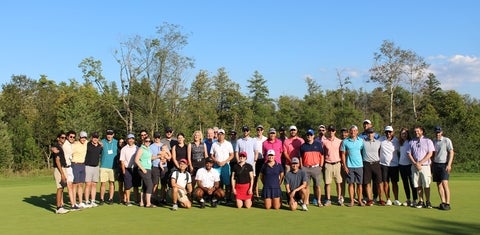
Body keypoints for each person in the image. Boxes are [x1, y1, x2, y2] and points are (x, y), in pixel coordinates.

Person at [407, 126, 435, 209]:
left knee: (426, 185)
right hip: (415, 166)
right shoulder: (411, 142)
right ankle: (421, 201)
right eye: (415, 131)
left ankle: (428, 201)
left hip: (425, 166)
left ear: (422, 131)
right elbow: (409, 154)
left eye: (418, 131)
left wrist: (420, 163)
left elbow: (430, 154)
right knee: (418, 185)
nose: (416, 133)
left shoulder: (428, 141)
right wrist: (415, 163)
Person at [341, 125, 365, 207]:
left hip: (359, 165)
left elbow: (363, 152)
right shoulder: (345, 141)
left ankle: (359, 201)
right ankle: (351, 201)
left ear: (357, 131)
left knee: (359, 184)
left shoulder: (361, 141)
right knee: (351, 184)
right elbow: (343, 154)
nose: (353, 132)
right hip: (349, 166)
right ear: (349, 132)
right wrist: (345, 166)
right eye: (351, 131)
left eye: (355, 130)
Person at [299, 129, 324, 207]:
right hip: (306, 168)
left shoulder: (318, 145)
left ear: (313, 136)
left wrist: (321, 166)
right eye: (308, 135)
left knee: (317, 185)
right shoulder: (303, 146)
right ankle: (306, 201)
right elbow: (300, 157)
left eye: (310, 135)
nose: (309, 136)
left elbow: (322, 156)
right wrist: (301, 166)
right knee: (306, 186)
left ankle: (319, 201)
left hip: (316, 168)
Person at [432, 126, 454, 210]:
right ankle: (443, 202)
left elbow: (451, 152)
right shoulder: (433, 141)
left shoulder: (446, 140)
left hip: (444, 164)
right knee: (439, 184)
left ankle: (448, 203)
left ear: (441, 132)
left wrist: (449, 164)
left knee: (445, 183)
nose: (437, 134)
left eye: (439, 132)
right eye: (436, 132)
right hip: (436, 164)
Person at [362, 127, 385, 206]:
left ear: (374, 134)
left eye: (371, 133)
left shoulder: (378, 142)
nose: (370, 134)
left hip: (376, 164)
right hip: (366, 164)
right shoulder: (363, 142)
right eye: (368, 133)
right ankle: (370, 199)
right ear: (366, 134)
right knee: (367, 183)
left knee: (379, 183)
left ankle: (381, 199)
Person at [210, 129, 234, 203]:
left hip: (225, 165)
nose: (220, 136)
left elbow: (232, 155)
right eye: (219, 134)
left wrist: (225, 161)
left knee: (227, 183)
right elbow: (211, 155)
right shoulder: (214, 144)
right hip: (217, 166)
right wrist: (216, 161)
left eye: (222, 134)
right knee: (217, 183)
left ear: (224, 135)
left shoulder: (228, 144)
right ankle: (219, 197)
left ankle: (228, 198)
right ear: (217, 135)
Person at [379, 126, 401, 206]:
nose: (388, 133)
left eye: (390, 132)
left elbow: (399, 152)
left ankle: (396, 199)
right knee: (385, 182)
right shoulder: (381, 140)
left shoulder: (396, 141)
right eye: (386, 132)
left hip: (394, 165)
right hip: (384, 165)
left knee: (394, 183)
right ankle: (388, 199)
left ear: (392, 132)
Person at [322, 125, 343, 206]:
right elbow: (323, 154)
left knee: (338, 182)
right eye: (330, 130)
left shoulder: (339, 141)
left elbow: (342, 153)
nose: (331, 132)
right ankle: (328, 199)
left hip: (337, 163)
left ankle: (339, 199)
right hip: (328, 164)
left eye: (332, 130)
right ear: (328, 131)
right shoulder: (325, 142)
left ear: (335, 131)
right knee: (327, 183)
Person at [398, 128, 417, 207]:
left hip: (409, 165)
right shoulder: (400, 143)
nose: (404, 135)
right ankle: (408, 199)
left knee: (412, 183)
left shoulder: (411, 142)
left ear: (408, 134)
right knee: (405, 183)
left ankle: (415, 200)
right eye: (402, 133)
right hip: (401, 165)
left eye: (405, 133)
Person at [99, 129, 118, 205]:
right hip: (103, 166)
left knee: (112, 183)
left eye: (111, 134)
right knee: (103, 183)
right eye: (108, 134)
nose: (109, 136)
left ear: (113, 135)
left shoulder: (116, 142)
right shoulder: (102, 142)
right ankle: (101, 199)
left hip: (113, 167)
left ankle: (111, 198)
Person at [52, 132, 69, 214]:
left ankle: (60, 206)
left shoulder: (60, 147)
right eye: (62, 137)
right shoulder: (56, 147)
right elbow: (57, 160)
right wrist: (62, 173)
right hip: (59, 169)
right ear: (58, 138)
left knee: (62, 188)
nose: (64, 139)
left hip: (62, 168)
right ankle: (58, 207)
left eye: (65, 138)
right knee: (59, 188)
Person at [135, 137, 155, 208]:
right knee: (150, 185)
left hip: (148, 168)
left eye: (149, 141)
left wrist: (158, 156)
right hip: (143, 169)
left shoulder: (148, 149)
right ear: (143, 141)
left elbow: (149, 158)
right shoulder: (141, 149)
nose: (148, 142)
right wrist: (143, 169)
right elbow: (136, 160)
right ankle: (148, 203)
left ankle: (142, 202)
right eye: (146, 141)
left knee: (145, 186)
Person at [84, 132, 103, 207]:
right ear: (92, 138)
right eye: (94, 137)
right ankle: (86, 201)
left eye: (97, 137)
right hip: (88, 166)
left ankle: (93, 201)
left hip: (96, 167)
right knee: (88, 184)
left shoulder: (100, 146)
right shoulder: (87, 144)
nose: (95, 139)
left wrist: (101, 145)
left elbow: (101, 152)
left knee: (94, 184)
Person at [119, 134, 138, 206]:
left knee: (136, 185)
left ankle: (136, 200)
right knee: (127, 186)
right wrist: (124, 171)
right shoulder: (124, 149)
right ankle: (128, 200)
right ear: (127, 140)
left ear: (134, 140)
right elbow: (122, 161)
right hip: (127, 169)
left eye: (132, 139)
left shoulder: (137, 148)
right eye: (129, 139)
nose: (131, 140)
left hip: (135, 169)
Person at [63, 130, 77, 210]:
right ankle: (71, 204)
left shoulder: (71, 144)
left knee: (70, 186)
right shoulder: (65, 144)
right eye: (71, 137)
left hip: (69, 167)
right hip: (65, 168)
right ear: (67, 137)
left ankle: (73, 204)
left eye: (73, 137)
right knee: (66, 186)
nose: (72, 138)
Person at [253, 124, 267, 199]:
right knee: (255, 177)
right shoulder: (253, 139)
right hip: (255, 160)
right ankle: (256, 194)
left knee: (263, 177)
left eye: (261, 129)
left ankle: (264, 193)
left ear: (263, 130)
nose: (259, 131)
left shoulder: (266, 139)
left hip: (264, 160)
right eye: (258, 129)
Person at [150, 131, 163, 205]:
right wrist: (158, 156)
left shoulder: (163, 145)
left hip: (164, 166)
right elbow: (150, 157)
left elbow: (168, 155)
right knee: (155, 184)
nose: (157, 139)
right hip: (155, 166)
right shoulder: (151, 146)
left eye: (158, 137)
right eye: (155, 137)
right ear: (154, 138)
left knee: (163, 184)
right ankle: (154, 198)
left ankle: (163, 198)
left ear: (160, 138)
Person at [115, 138, 126, 204]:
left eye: (122, 142)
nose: (121, 143)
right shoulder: (117, 150)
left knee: (126, 185)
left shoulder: (126, 149)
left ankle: (125, 198)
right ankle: (121, 199)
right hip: (119, 169)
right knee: (120, 185)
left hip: (126, 169)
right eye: (120, 142)